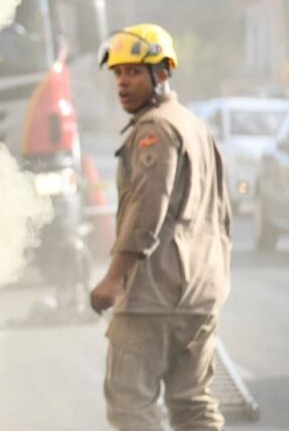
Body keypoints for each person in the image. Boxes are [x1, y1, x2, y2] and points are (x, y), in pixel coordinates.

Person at [90, 23, 231, 431]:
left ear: (163, 73)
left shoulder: (154, 130)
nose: (122, 82)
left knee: (130, 404)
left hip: (154, 294)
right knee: (192, 403)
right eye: (117, 73)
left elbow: (146, 212)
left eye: (133, 72)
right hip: (202, 293)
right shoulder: (194, 126)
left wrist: (115, 279)